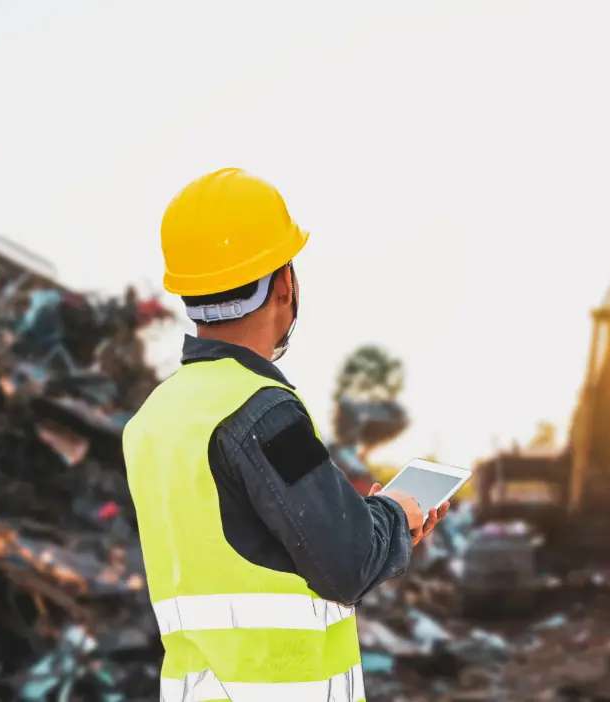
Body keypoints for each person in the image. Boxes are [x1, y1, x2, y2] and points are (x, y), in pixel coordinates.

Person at [123, 167, 446, 701]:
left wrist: (367, 519)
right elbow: (346, 561)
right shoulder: (265, 413)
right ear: (284, 283)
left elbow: (249, 544)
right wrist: (396, 517)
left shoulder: (154, 418)